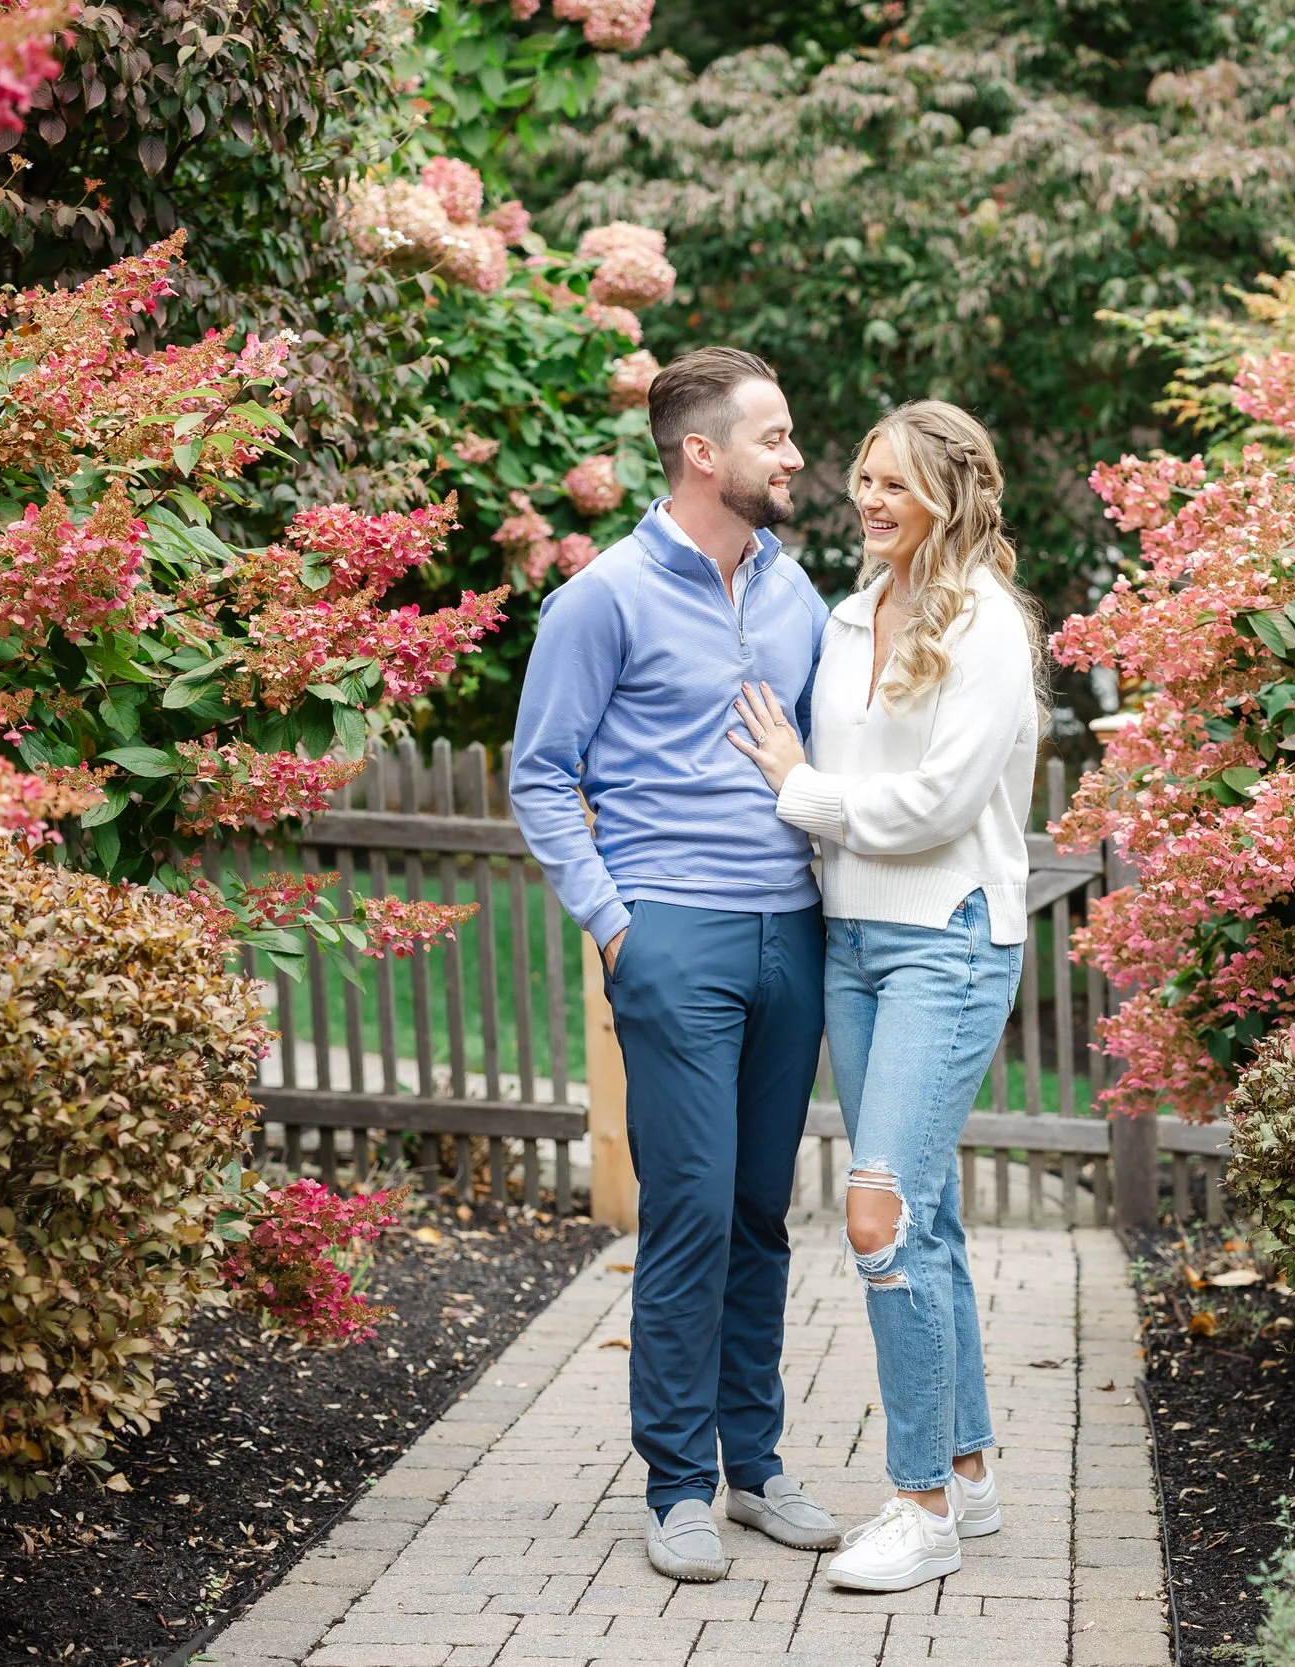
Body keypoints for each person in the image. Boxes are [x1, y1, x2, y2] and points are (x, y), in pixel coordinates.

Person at [509, 345, 841, 1583]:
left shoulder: (796, 593)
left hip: (790, 933)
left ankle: (754, 1466)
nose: (795, 455)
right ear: (703, 453)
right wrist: (616, 922)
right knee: (692, 1209)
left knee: (759, 1208)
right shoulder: (600, 598)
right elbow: (542, 774)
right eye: (774, 435)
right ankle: (675, 1484)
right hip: (673, 936)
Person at [727, 399, 1042, 1593]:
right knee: (928, 1216)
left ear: (949, 496)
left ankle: (918, 1510)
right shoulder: (851, 612)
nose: (869, 497)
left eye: (896, 483)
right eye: (864, 475)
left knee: (878, 1215)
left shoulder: (988, 624)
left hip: (945, 939)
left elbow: (939, 804)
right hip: (850, 939)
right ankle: (967, 1469)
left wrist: (801, 788)